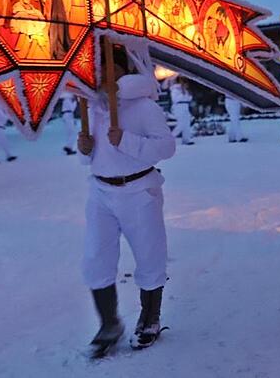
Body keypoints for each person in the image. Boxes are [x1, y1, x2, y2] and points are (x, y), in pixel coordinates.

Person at [78, 46, 176, 356]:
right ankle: (109, 323)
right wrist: (84, 147)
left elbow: (167, 147)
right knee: (96, 257)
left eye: (111, 69)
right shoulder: (92, 105)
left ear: (123, 71)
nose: (105, 75)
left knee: (149, 254)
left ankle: (150, 318)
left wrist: (128, 141)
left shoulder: (144, 107)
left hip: (139, 192)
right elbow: (94, 155)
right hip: (100, 192)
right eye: (100, 69)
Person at [169, 76, 194, 145]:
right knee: (181, 124)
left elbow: (189, 99)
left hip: (185, 106)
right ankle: (170, 138)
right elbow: (175, 99)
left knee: (187, 124)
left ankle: (186, 139)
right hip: (178, 107)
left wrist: (187, 94)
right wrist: (182, 95)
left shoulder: (185, 90)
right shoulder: (175, 89)